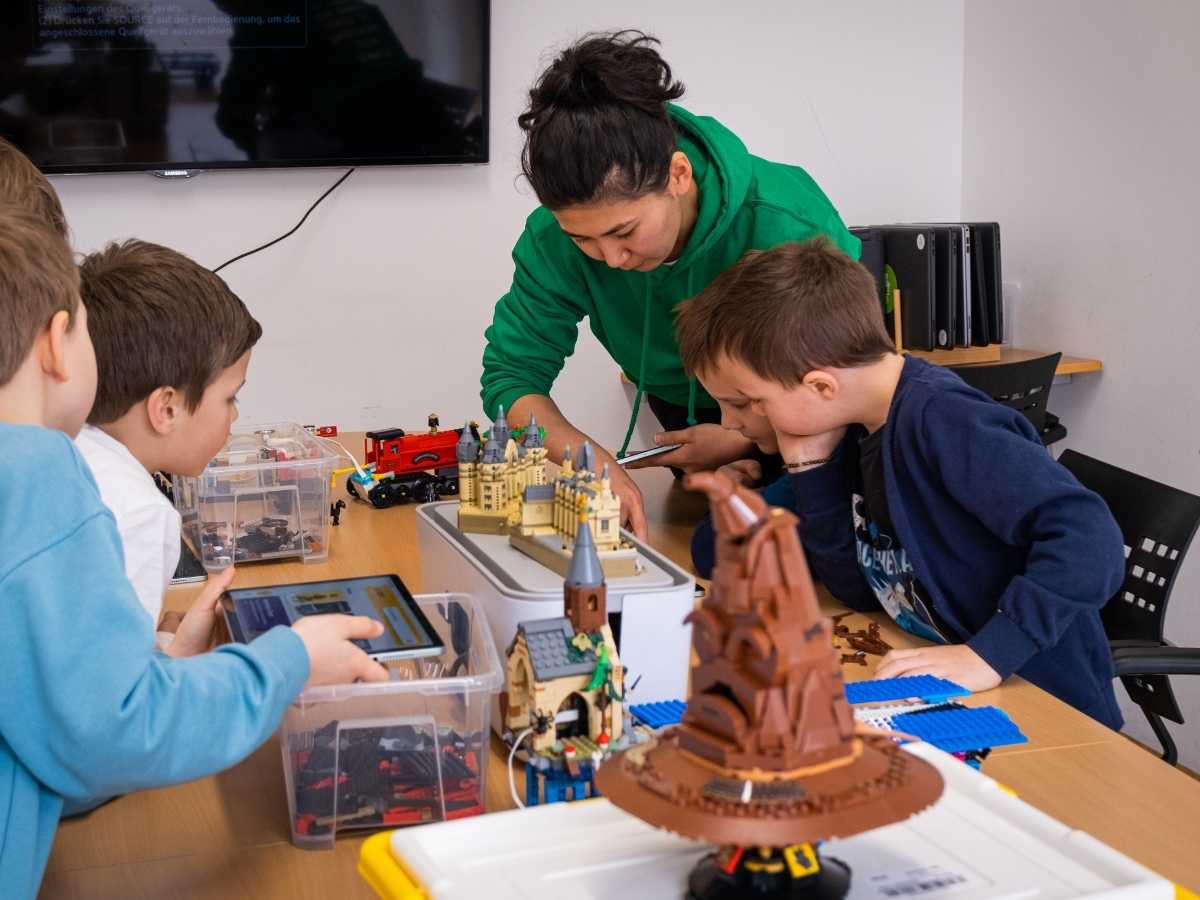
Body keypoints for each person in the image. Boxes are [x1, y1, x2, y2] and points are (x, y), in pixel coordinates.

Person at [0, 209, 389, 898]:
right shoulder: (58, 483)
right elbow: (104, 743)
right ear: (59, 343)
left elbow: (51, 687)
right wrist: (288, 662)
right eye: (233, 399)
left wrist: (155, 662)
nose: (237, 415)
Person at [675, 238, 1125, 728]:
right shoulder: (843, 428)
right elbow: (859, 590)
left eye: (745, 402)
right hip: (953, 691)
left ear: (821, 386)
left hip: (1042, 701)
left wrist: (988, 655)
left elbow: (1089, 536)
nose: (730, 422)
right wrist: (811, 472)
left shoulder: (945, 420)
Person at [480, 30, 858, 537]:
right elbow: (511, 379)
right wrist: (588, 462)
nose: (610, 259)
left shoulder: (784, 220)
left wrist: (745, 436)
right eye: (583, 240)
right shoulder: (552, 240)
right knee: (701, 551)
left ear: (678, 174)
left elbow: (844, 378)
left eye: (624, 232)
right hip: (683, 418)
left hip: (804, 423)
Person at [74, 240, 260, 649]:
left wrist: (159, 644)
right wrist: (182, 661)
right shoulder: (140, 514)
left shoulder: (67, 450)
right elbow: (117, 706)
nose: (235, 416)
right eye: (230, 397)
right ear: (167, 409)